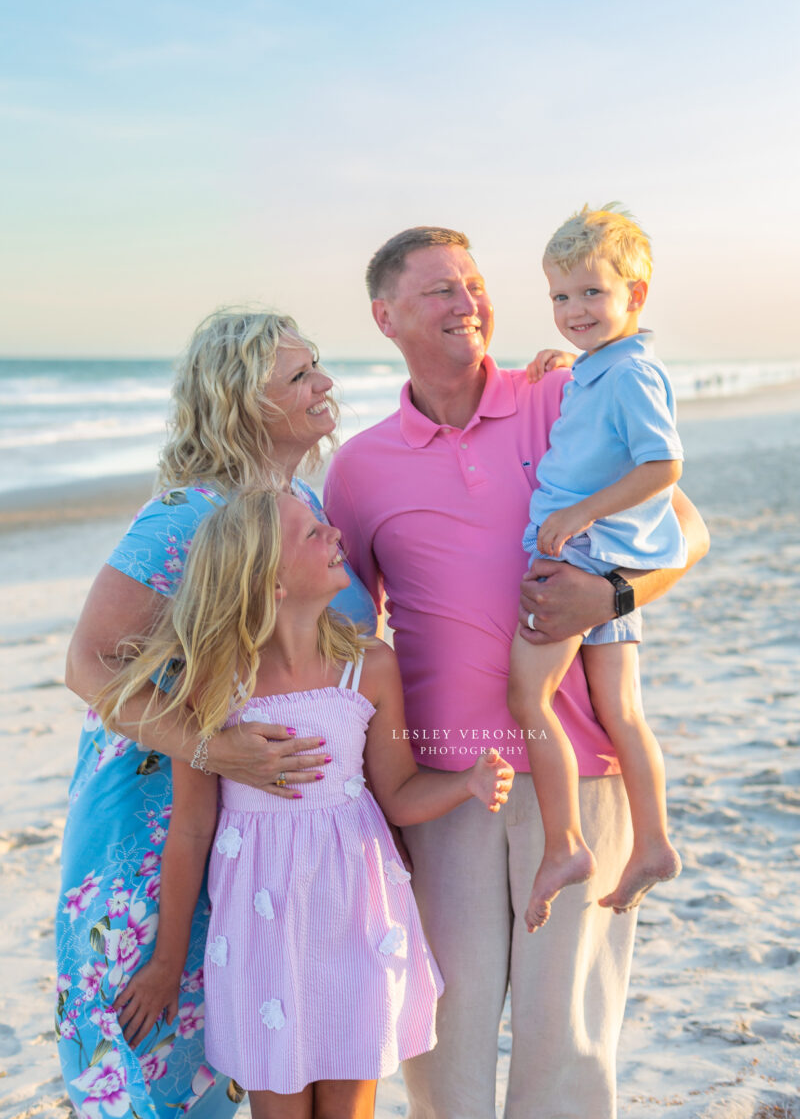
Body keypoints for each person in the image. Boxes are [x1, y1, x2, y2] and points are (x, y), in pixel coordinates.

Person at [324, 226, 709, 1119]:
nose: (469, 304)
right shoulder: (359, 467)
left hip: (583, 769)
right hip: (448, 779)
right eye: (440, 292)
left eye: (474, 284)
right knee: (442, 1036)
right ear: (386, 318)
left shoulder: (562, 393)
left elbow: (688, 531)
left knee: (567, 1036)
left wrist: (612, 595)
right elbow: (344, 635)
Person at [94, 489, 514, 1119]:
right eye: (310, 533)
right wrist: (166, 963)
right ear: (268, 579)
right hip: (261, 930)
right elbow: (190, 831)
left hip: (356, 921)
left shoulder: (368, 667)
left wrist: (465, 783)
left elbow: (396, 793)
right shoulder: (211, 685)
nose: (333, 533)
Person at [57, 309, 376, 1118]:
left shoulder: (304, 504)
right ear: (243, 400)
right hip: (151, 816)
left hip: (268, 831)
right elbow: (86, 661)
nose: (325, 384)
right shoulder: (181, 515)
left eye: (318, 368)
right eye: (301, 376)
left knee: (236, 1051)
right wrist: (212, 749)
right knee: (145, 1063)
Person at [507, 205, 685, 933]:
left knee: (526, 698)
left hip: (580, 558)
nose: (573, 310)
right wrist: (563, 366)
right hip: (609, 558)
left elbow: (663, 463)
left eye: (591, 294)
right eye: (560, 297)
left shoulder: (631, 372)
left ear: (634, 296)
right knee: (623, 712)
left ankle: (564, 845)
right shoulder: (602, 367)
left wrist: (581, 513)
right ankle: (652, 844)